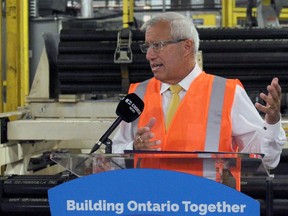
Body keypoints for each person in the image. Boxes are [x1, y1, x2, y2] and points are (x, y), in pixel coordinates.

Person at [111, 12, 286, 170]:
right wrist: (133, 147)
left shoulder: (227, 93)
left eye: (157, 45)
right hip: (148, 203)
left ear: (187, 46)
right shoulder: (138, 94)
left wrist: (272, 123)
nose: (149, 55)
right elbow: (112, 157)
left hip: (206, 204)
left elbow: (266, 160)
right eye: (147, 46)